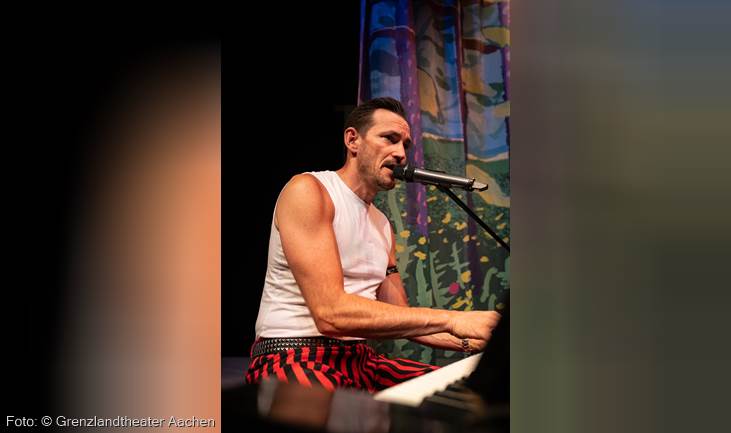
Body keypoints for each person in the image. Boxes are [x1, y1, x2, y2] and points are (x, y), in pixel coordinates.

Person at [246, 97, 500, 392]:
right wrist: (453, 319)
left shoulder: (382, 225)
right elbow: (330, 313)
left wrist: (480, 339)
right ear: (352, 140)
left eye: (405, 145)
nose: (401, 153)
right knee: (337, 412)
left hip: (361, 359)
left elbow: (402, 316)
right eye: (389, 139)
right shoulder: (309, 191)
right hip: (293, 354)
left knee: (474, 396)